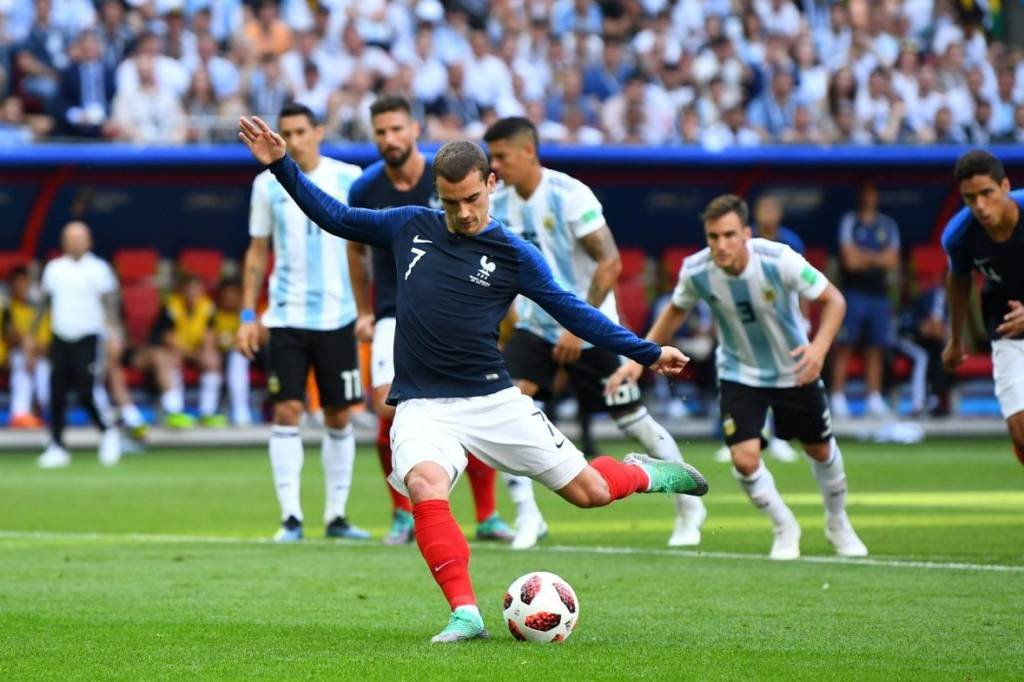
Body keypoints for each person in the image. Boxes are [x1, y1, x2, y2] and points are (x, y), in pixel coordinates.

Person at [238, 115, 707, 643]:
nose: (462, 212)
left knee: (591, 492)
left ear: (491, 185)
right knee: (423, 483)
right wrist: (282, 165)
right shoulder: (409, 225)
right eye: (449, 201)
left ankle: (646, 473)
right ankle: (466, 613)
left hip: (491, 399)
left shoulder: (515, 255)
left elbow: (574, 312)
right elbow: (337, 217)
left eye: (471, 199)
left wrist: (646, 351)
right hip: (424, 405)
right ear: (436, 193)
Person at [483, 116, 707, 549]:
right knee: (505, 412)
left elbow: (610, 263)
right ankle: (529, 517)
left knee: (633, 421)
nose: (496, 165)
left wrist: (575, 322)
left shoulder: (569, 195)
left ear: (528, 152)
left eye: (501, 156)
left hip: (591, 330)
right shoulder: (501, 202)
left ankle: (688, 506)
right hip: (535, 327)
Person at [609, 194, 867, 561]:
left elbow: (835, 300)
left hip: (794, 368)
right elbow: (674, 312)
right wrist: (638, 359)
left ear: (746, 233)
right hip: (739, 373)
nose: (721, 244)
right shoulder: (697, 270)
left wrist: (818, 349)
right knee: (745, 460)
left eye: (729, 235)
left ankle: (838, 522)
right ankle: (784, 526)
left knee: (820, 450)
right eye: (713, 236)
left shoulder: (780, 260)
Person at [347, 94, 513, 546]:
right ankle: (402, 514)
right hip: (390, 313)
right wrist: (363, 310)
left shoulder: (446, 178)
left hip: (454, 311)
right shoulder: (365, 189)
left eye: (397, 129)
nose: (389, 139)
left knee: (473, 405)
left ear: (415, 129)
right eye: (380, 132)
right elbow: (354, 245)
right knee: (388, 411)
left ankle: (488, 515)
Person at [237, 103, 370, 542]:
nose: (293, 140)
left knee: (338, 414)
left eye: (300, 131)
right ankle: (291, 517)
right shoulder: (265, 185)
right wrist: (246, 314)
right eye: (287, 132)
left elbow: (363, 248)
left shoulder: (350, 177)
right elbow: (257, 251)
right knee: (287, 408)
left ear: (319, 132)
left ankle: (336, 515)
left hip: (338, 315)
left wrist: (368, 307)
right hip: (286, 315)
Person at [941, 150, 1024, 465]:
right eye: (969, 198)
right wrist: (955, 339)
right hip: (1005, 325)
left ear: (1005, 186)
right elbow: (959, 281)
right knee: (1019, 432)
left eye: (987, 193)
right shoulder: (960, 237)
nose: (980, 206)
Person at [33, 222, 122, 469]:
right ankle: (57, 445)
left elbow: (110, 304)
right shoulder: (54, 268)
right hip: (60, 336)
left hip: (88, 337)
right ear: (63, 242)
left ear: (89, 241)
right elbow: (43, 304)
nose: (74, 242)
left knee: (85, 391)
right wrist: (33, 335)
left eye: (79, 237)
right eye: (70, 238)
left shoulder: (99, 269)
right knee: (56, 394)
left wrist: (114, 335)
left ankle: (108, 431)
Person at [830, 182, 901, 418]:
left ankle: (873, 397)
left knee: (876, 347)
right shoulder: (850, 222)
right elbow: (850, 261)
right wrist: (877, 258)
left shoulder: (887, 225)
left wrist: (865, 257)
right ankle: (838, 397)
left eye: (874, 194)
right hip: (853, 293)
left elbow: (892, 260)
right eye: (866, 194)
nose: (870, 198)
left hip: (879, 295)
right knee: (845, 345)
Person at [142, 273, 225, 429]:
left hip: (194, 351)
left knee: (212, 359)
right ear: (181, 290)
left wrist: (204, 353)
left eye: (196, 289)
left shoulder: (208, 307)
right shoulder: (170, 306)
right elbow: (168, 339)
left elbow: (209, 336)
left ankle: (207, 412)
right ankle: (174, 411)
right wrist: (193, 355)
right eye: (189, 289)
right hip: (171, 351)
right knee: (170, 358)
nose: (192, 293)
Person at [2, 266, 50, 428]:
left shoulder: (38, 311)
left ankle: (43, 408)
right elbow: (10, 336)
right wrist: (28, 347)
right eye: (18, 284)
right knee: (21, 360)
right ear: (12, 285)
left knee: (42, 366)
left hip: (36, 358)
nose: (22, 287)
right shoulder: (6, 307)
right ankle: (20, 414)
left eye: (25, 283)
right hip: (8, 355)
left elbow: (45, 344)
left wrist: (32, 351)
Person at [213, 277, 253, 426]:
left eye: (233, 294)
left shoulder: (244, 314)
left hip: (243, 356)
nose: (230, 298)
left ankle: (241, 412)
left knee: (239, 356)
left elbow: (251, 325)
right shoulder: (214, 313)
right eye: (227, 294)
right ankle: (209, 412)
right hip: (218, 356)